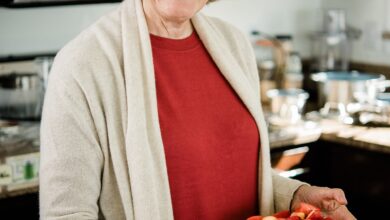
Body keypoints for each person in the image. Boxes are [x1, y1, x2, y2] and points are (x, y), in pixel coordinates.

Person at [39, 0, 356, 219]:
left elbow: (226, 175)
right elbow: (66, 213)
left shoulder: (233, 45)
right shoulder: (83, 63)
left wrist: (294, 195)